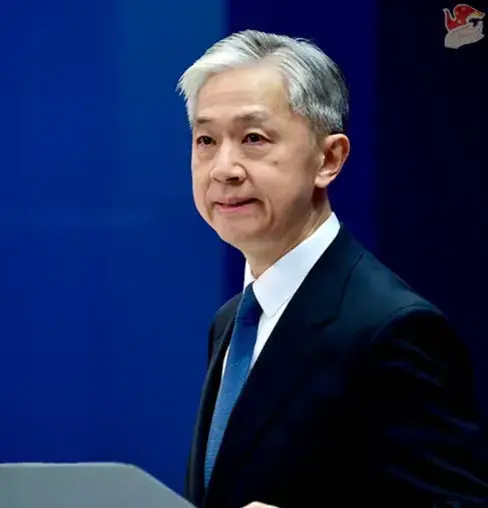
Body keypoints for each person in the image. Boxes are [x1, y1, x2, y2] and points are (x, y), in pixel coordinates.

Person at [176, 30, 488, 508]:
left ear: (329, 159)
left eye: (253, 138)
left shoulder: (394, 329)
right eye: (206, 140)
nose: (224, 168)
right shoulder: (232, 321)